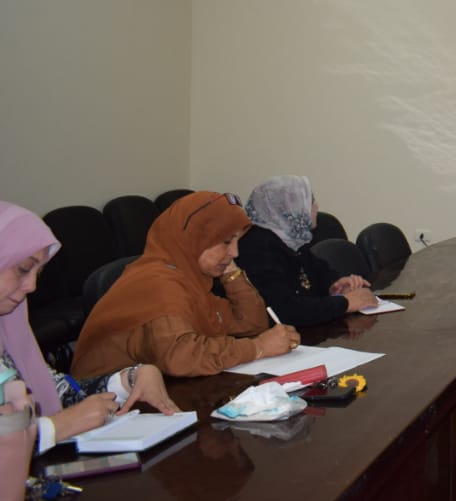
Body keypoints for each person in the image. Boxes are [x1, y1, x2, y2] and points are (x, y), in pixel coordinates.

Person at [0, 202, 179, 464]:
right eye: (24, 268)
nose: (32, 286)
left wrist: (130, 378)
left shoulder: (8, 331)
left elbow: (60, 391)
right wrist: (53, 428)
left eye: (39, 272)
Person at [71, 192, 299, 379]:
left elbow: (251, 324)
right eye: (226, 241)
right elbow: (180, 357)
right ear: (194, 238)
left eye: (238, 241)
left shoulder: (191, 279)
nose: (235, 252)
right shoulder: (158, 282)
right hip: (104, 406)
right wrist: (257, 348)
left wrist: (231, 271)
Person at [237, 176, 375, 327]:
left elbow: (317, 271)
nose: (316, 206)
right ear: (288, 209)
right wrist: (345, 303)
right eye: (310, 201)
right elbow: (287, 311)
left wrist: (334, 285)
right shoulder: (257, 251)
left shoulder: (292, 237)